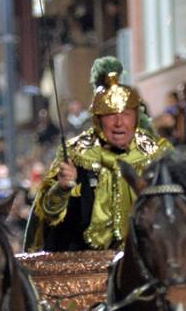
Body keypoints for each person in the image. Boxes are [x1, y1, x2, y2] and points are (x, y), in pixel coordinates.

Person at [29, 63, 172, 252]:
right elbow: (47, 212)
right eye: (110, 115)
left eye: (126, 115)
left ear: (136, 118)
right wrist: (62, 188)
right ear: (97, 119)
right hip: (85, 262)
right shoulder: (76, 153)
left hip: (146, 257)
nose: (119, 123)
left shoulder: (156, 154)